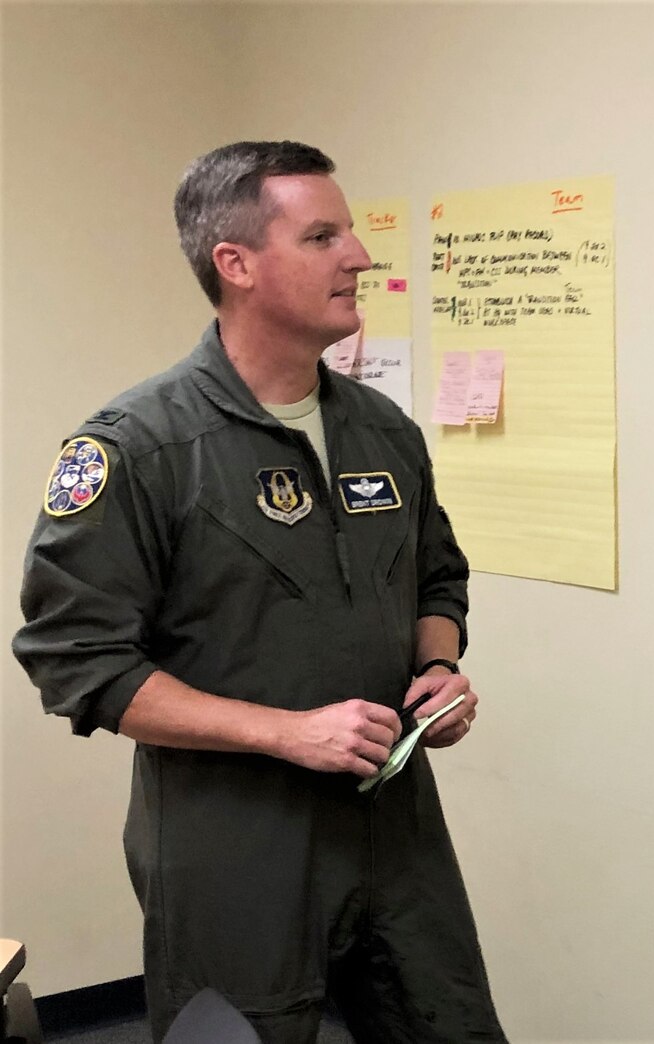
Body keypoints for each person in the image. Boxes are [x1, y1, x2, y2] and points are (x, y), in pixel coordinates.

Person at [13, 141, 507, 1043]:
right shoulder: (138, 448)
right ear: (235, 265)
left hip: (393, 830)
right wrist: (287, 733)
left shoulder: (381, 430)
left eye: (351, 233)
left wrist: (438, 667)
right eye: (323, 236)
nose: (358, 256)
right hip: (234, 846)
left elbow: (438, 574)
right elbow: (76, 663)